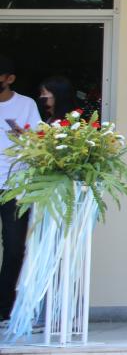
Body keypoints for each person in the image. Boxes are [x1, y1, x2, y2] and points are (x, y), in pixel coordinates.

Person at [0, 55, 42, 324]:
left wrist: (25, 137)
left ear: (9, 78)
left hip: (16, 186)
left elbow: (40, 140)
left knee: (15, 248)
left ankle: (4, 307)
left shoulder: (26, 105)